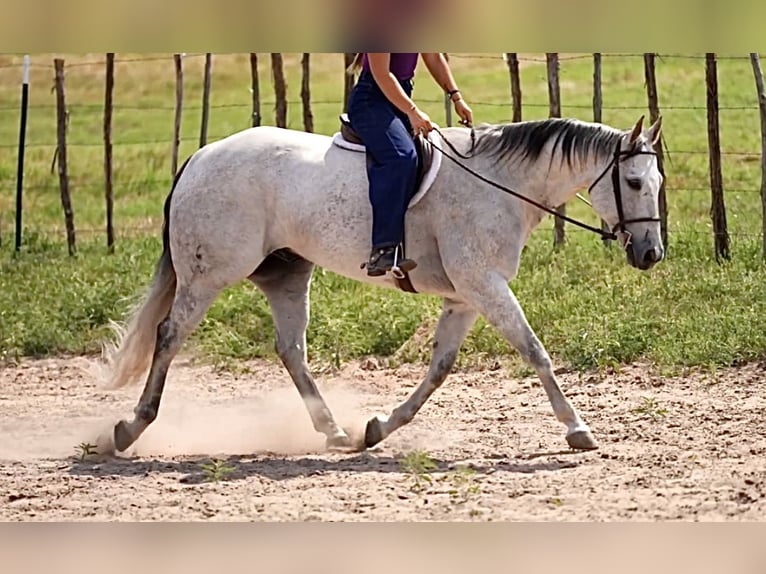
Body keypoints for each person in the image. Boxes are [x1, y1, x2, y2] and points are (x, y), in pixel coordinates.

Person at [346, 53, 474, 277]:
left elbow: (433, 57)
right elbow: (382, 74)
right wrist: (412, 112)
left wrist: (456, 97)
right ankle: (382, 249)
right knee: (401, 157)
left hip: (399, 97)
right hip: (371, 102)